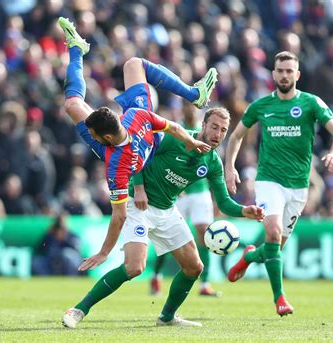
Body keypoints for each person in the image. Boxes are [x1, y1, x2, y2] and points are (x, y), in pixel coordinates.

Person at [62, 106, 265, 328]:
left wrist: (244, 211)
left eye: (224, 130)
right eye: (214, 127)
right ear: (203, 125)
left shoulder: (212, 162)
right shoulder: (173, 139)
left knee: (194, 267)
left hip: (167, 211)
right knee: (134, 268)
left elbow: (224, 203)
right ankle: (79, 309)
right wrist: (138, 187)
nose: (218, 134)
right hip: (138, 205)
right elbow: (137, 150)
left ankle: (167, 317)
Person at [57, 17, 216, 276]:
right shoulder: (139, 114)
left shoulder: (115, 165)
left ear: (104, 136)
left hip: (141, 151)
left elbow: (119, 216)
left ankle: (195, 94)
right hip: (145, 146)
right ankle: (77, 47)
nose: (92, 135)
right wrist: (191, 141)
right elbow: (173, 127)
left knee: (76, 102)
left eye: (94, 133)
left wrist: (104, 253)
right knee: (130, 67)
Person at [225, 51, 333, 316]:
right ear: (273, 74)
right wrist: (229, 166)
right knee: (271, 233)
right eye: (280, 70)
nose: (284, 75)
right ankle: (279, 298)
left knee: (274, 247)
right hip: (269, 180)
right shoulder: (260, 106)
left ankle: (249, 257)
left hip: (298, 186)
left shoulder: (311, 103)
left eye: (289, 71)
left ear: (297, 75)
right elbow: (235, 137)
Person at [150, 102, 221, 297]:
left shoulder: (209, 132)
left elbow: (212, 170)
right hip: (179, 192)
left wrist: (216, 201)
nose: (191, 109)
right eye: (188, 106)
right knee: (167, 238)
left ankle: (205, 283)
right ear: (183, 108)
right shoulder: (179, 130)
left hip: (200, 192)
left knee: (205, 236)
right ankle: (156, 275)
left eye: (194, 106)